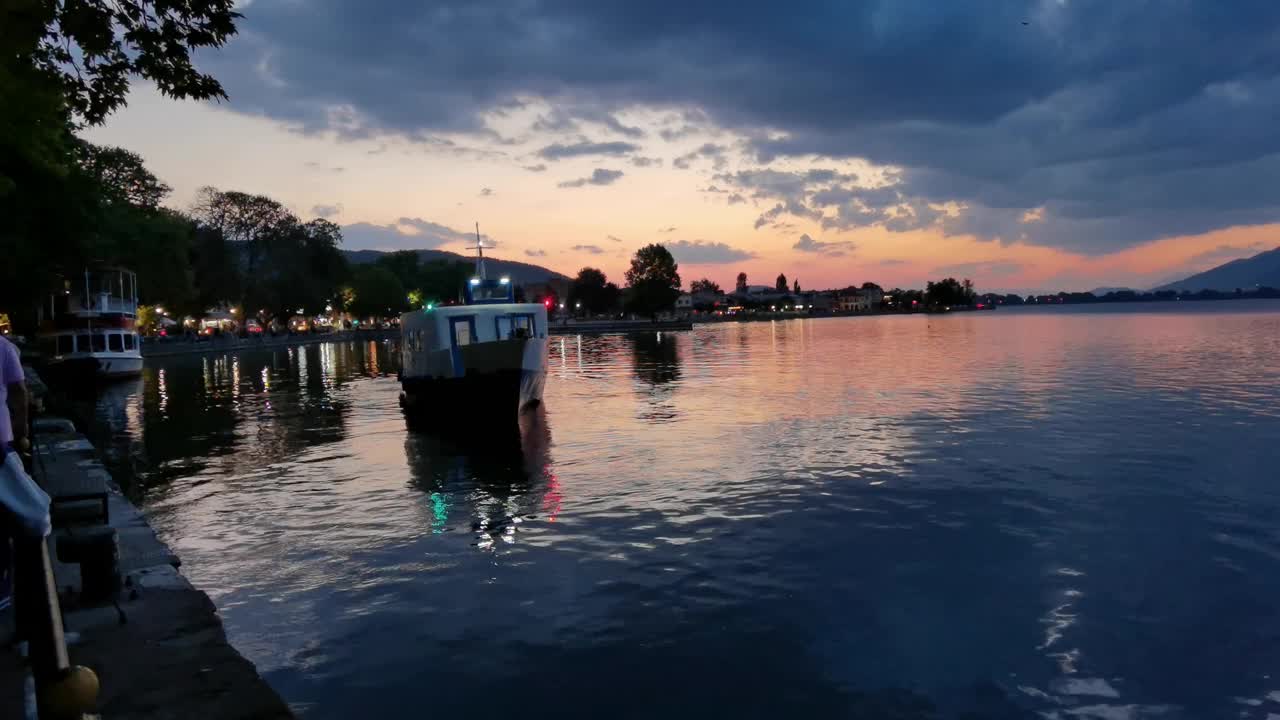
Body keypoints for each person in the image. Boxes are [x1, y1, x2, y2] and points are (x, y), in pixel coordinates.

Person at [1, 335, 51, 613]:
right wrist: (22, 436)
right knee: (31, 514)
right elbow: (18, 393)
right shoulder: (4, 348)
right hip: (0, 449)